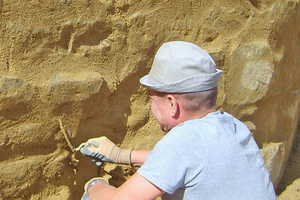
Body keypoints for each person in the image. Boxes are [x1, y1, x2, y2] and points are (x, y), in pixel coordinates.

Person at [77, 41, 276, 200]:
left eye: (151, 98)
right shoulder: (233, 126)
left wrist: (95, 186)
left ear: (172, 103)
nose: (151, 107)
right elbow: (184, 161)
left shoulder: (185, 140)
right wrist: (120, 155)